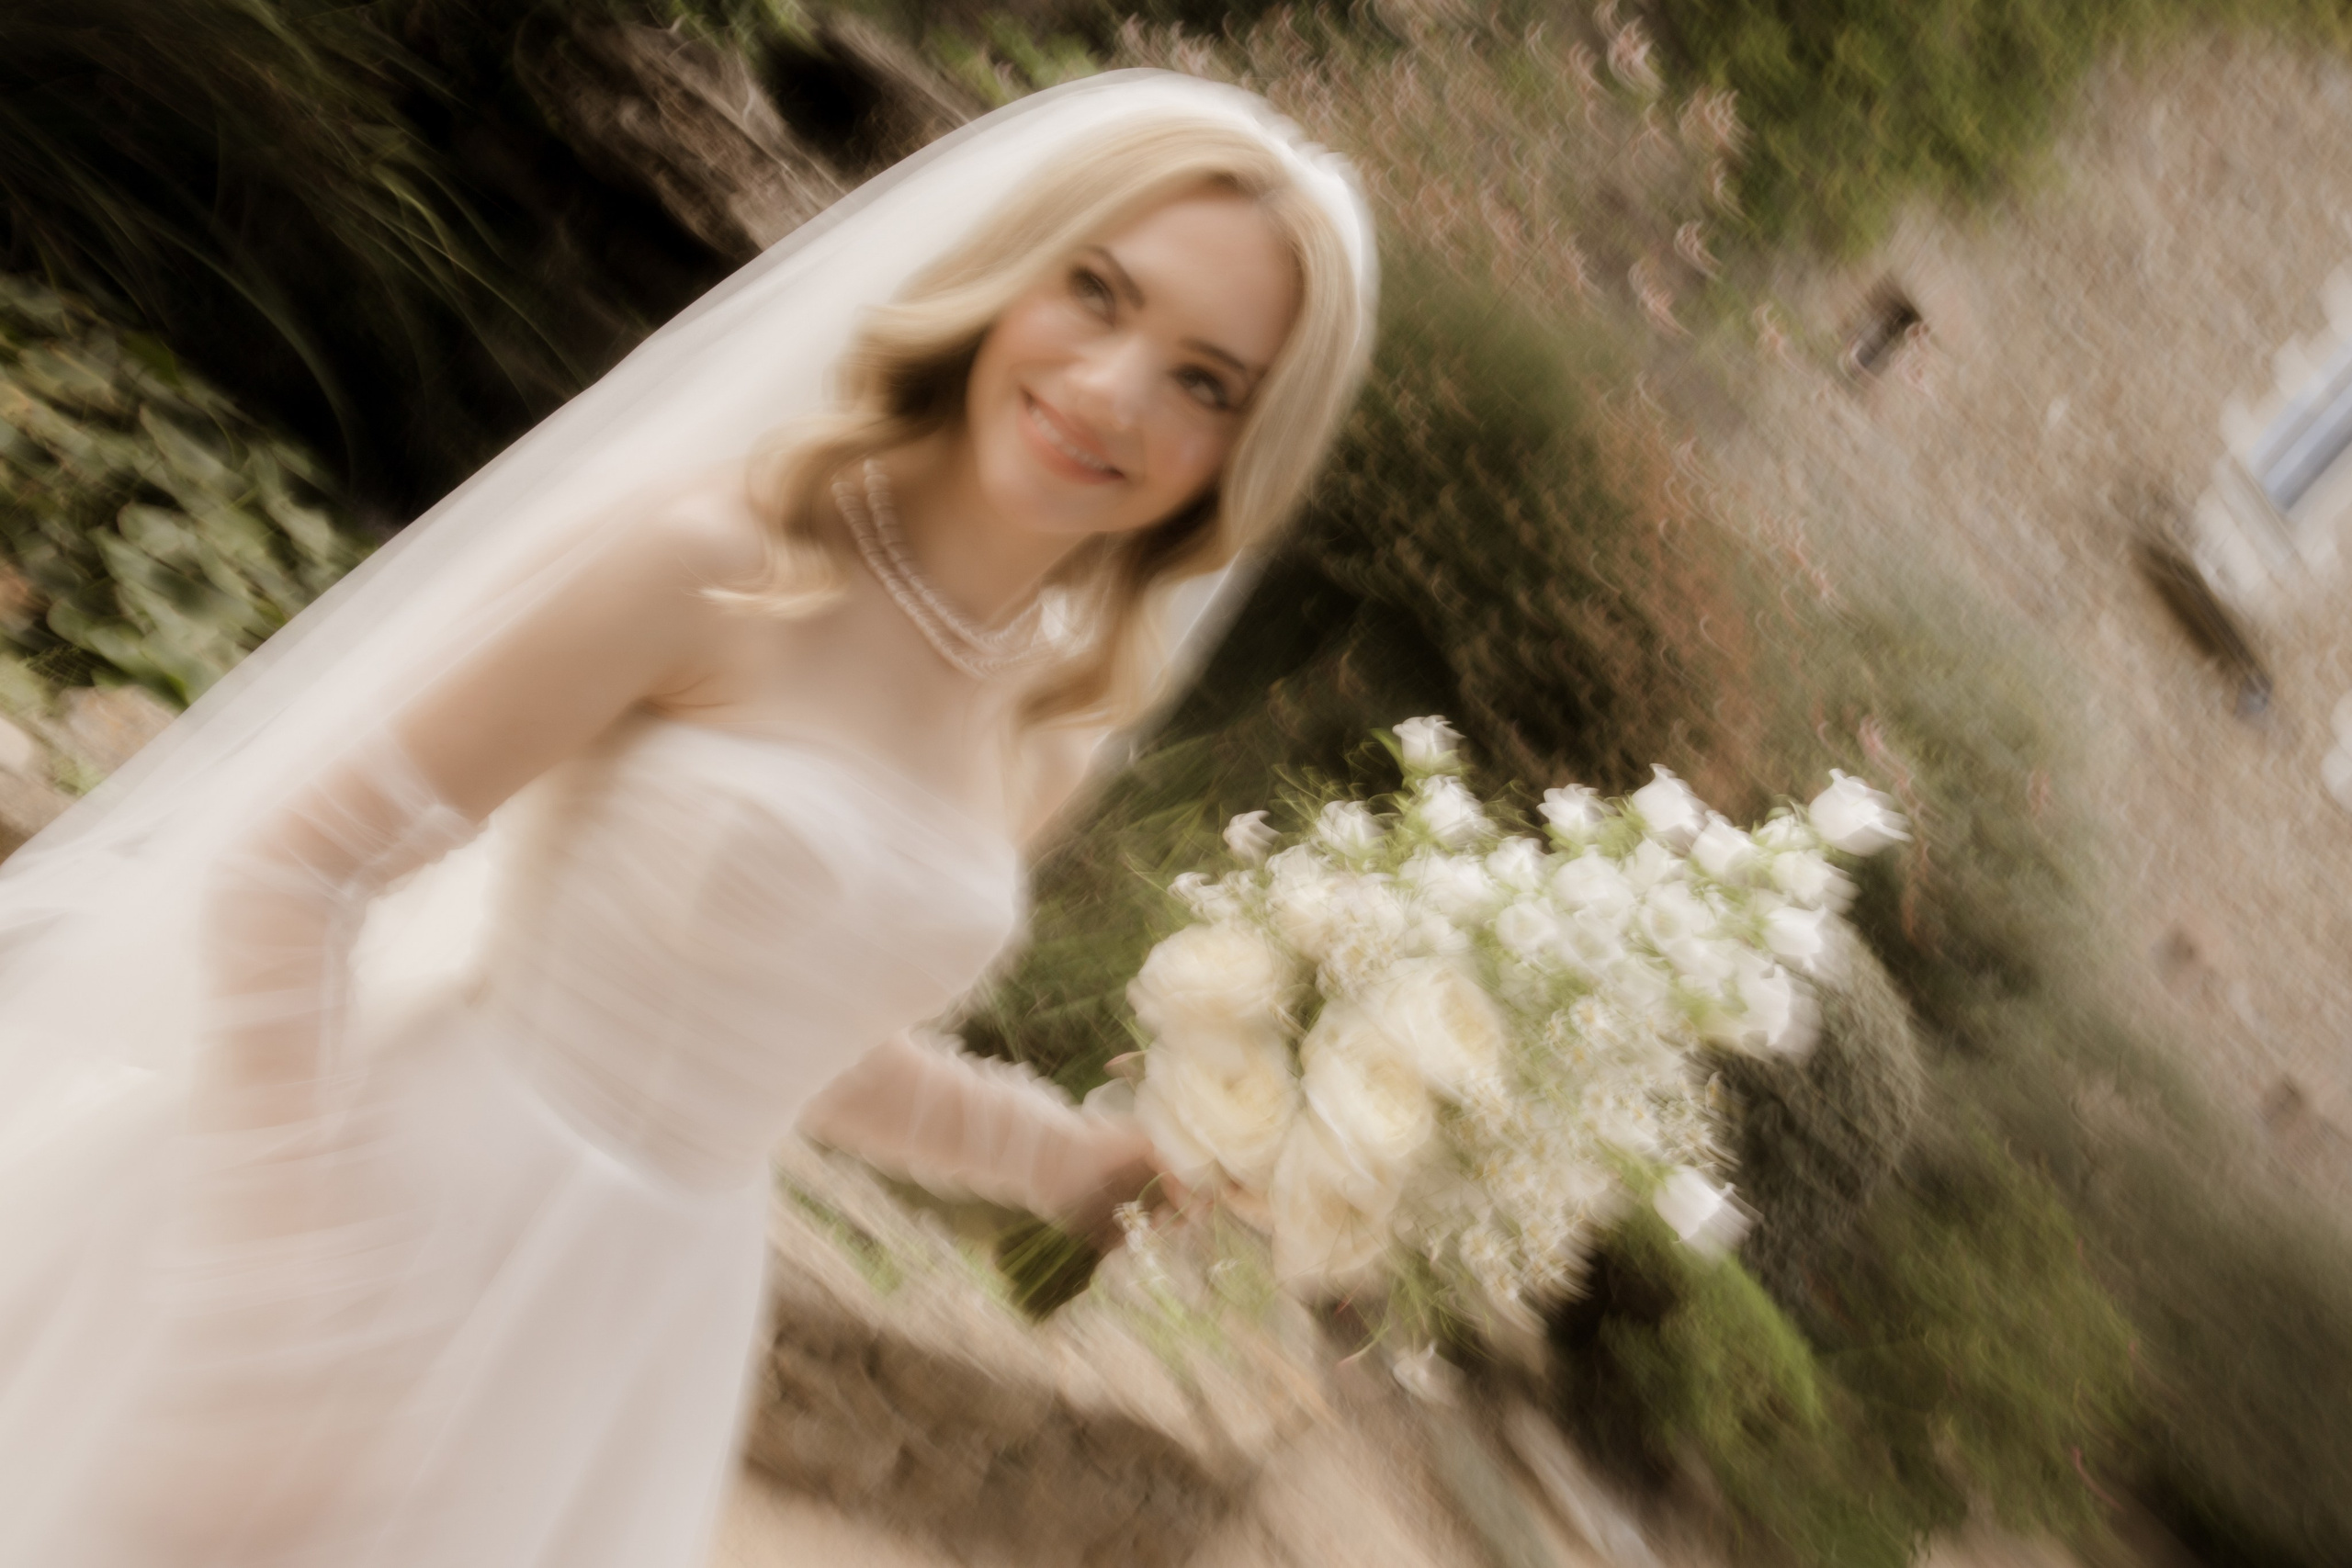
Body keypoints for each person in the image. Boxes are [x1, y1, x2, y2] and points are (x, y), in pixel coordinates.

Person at [0, 71, 1375, 1568]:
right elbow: (297, 870)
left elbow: (804, 1048)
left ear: (1244, 453)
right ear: (1012, 271)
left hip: (640, 1333)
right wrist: (279, 1277)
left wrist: (1069, 1160)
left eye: (1205, 382)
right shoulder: (722, 555)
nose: (1111, 390)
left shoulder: (1048, 726)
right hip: (386, 1220)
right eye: (1096, 292)